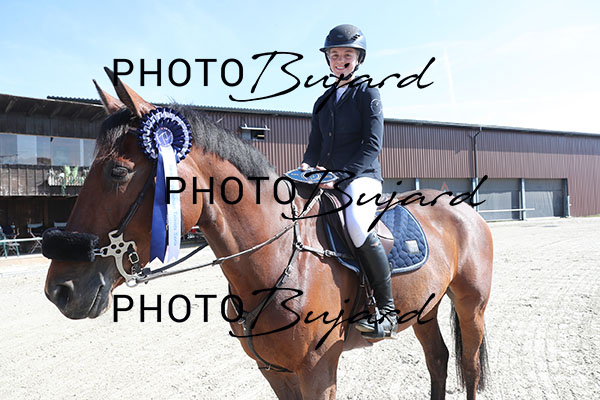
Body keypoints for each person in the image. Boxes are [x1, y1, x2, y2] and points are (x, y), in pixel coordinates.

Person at [300, 24, 397, 338]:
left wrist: (341, 175)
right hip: (326, 177)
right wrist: (306, 167)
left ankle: (387, 312)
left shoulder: (368, 93)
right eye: (335, 55)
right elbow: (315, 145)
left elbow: (372, 144)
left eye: (347, 55)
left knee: (356, 224)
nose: (340, 60)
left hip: (360, 177)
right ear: (328, 59)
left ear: (358, 59)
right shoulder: (322, 100)